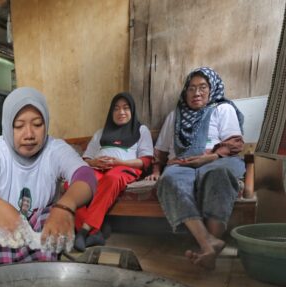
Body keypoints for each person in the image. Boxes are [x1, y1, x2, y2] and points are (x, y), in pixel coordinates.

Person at [0, 87, 96, 270]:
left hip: (42, 226)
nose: (29, 134)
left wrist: (65, 206)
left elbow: (85, 175)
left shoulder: (55, 150)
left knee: (45, 216)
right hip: (3, 224)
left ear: (46, 124)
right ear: (7, 125)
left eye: (37, 124)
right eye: (19, 126)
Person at [146, 67, 245, 270]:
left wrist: (209, 158)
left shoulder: (222, 109)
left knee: (219, 175)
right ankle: (208, 243)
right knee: (169, 180)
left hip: (215, 159)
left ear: (212, 89)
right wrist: (157, 171)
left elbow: (234, 143)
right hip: (181, 163)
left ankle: (209, 245)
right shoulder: (175, 116)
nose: (196, 93)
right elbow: (161, 151)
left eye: (202, 87)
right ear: (185, 92)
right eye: (191, 88)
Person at [73, 92, 154, 251]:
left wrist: (119, 162)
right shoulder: (101, 132)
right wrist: (94, 162)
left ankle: (83, 232)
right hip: (97, 168)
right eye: (116, 108)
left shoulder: (141, 130)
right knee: (75, 184)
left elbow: (145, 161)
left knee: (111, 178)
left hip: (124, 168)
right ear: (111, 112)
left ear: (132, 111)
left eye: (125, 108)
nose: (121, 112)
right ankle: (97, 232)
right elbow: (85, 159)